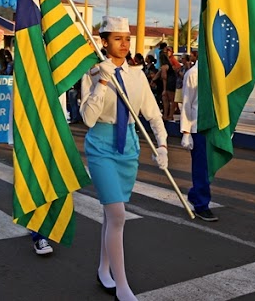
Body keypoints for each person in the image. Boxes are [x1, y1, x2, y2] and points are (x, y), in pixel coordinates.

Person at [80, 16, 168, 300]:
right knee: (118, 214)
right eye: (117, 38)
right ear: (104, 42)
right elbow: (88, 119)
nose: (124, 44)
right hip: (101, 145)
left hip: (128, 146)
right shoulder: (93, 73)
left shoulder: (137, 75)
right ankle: (122, 286)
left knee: (111, 214)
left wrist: (163, 145)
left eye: (127, 38)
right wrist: (102, 85)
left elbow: (153, 114)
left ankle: (104, 269)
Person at [180, 50, 218, 221]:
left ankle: (195, 194)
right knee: (201, 167)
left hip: (213, 127)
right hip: (198, 127)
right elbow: (187, 103)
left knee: (210, 166)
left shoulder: (217, 75)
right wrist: (186, 132)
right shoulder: (193, 74)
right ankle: (202, 205)